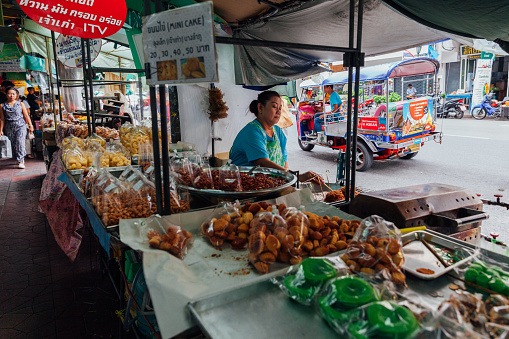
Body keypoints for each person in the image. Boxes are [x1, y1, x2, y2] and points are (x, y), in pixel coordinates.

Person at [230, 90, 323, 184]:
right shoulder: (252, 131)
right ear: (260, 108)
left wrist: (289, 180)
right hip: (244, 186)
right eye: (274, 106)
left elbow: (284, 161)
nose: (278, 111)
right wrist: (297, 176)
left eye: (280, 108)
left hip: (269, 184)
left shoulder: (278, 131)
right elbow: (262, 162)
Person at [0, 87, 34, 168]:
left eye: (13, 94)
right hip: (9, 127)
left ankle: (21, 160)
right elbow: (2, 119)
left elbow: (26, 115)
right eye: (9, 93)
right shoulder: (2, 105)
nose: (11, 95)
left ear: (16, 95)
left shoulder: (21, 104)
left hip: (20, 126)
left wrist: (31, 125)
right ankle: (17, 158)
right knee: (13, 143)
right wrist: (0, 130)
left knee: (20, 142)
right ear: (6, 94)